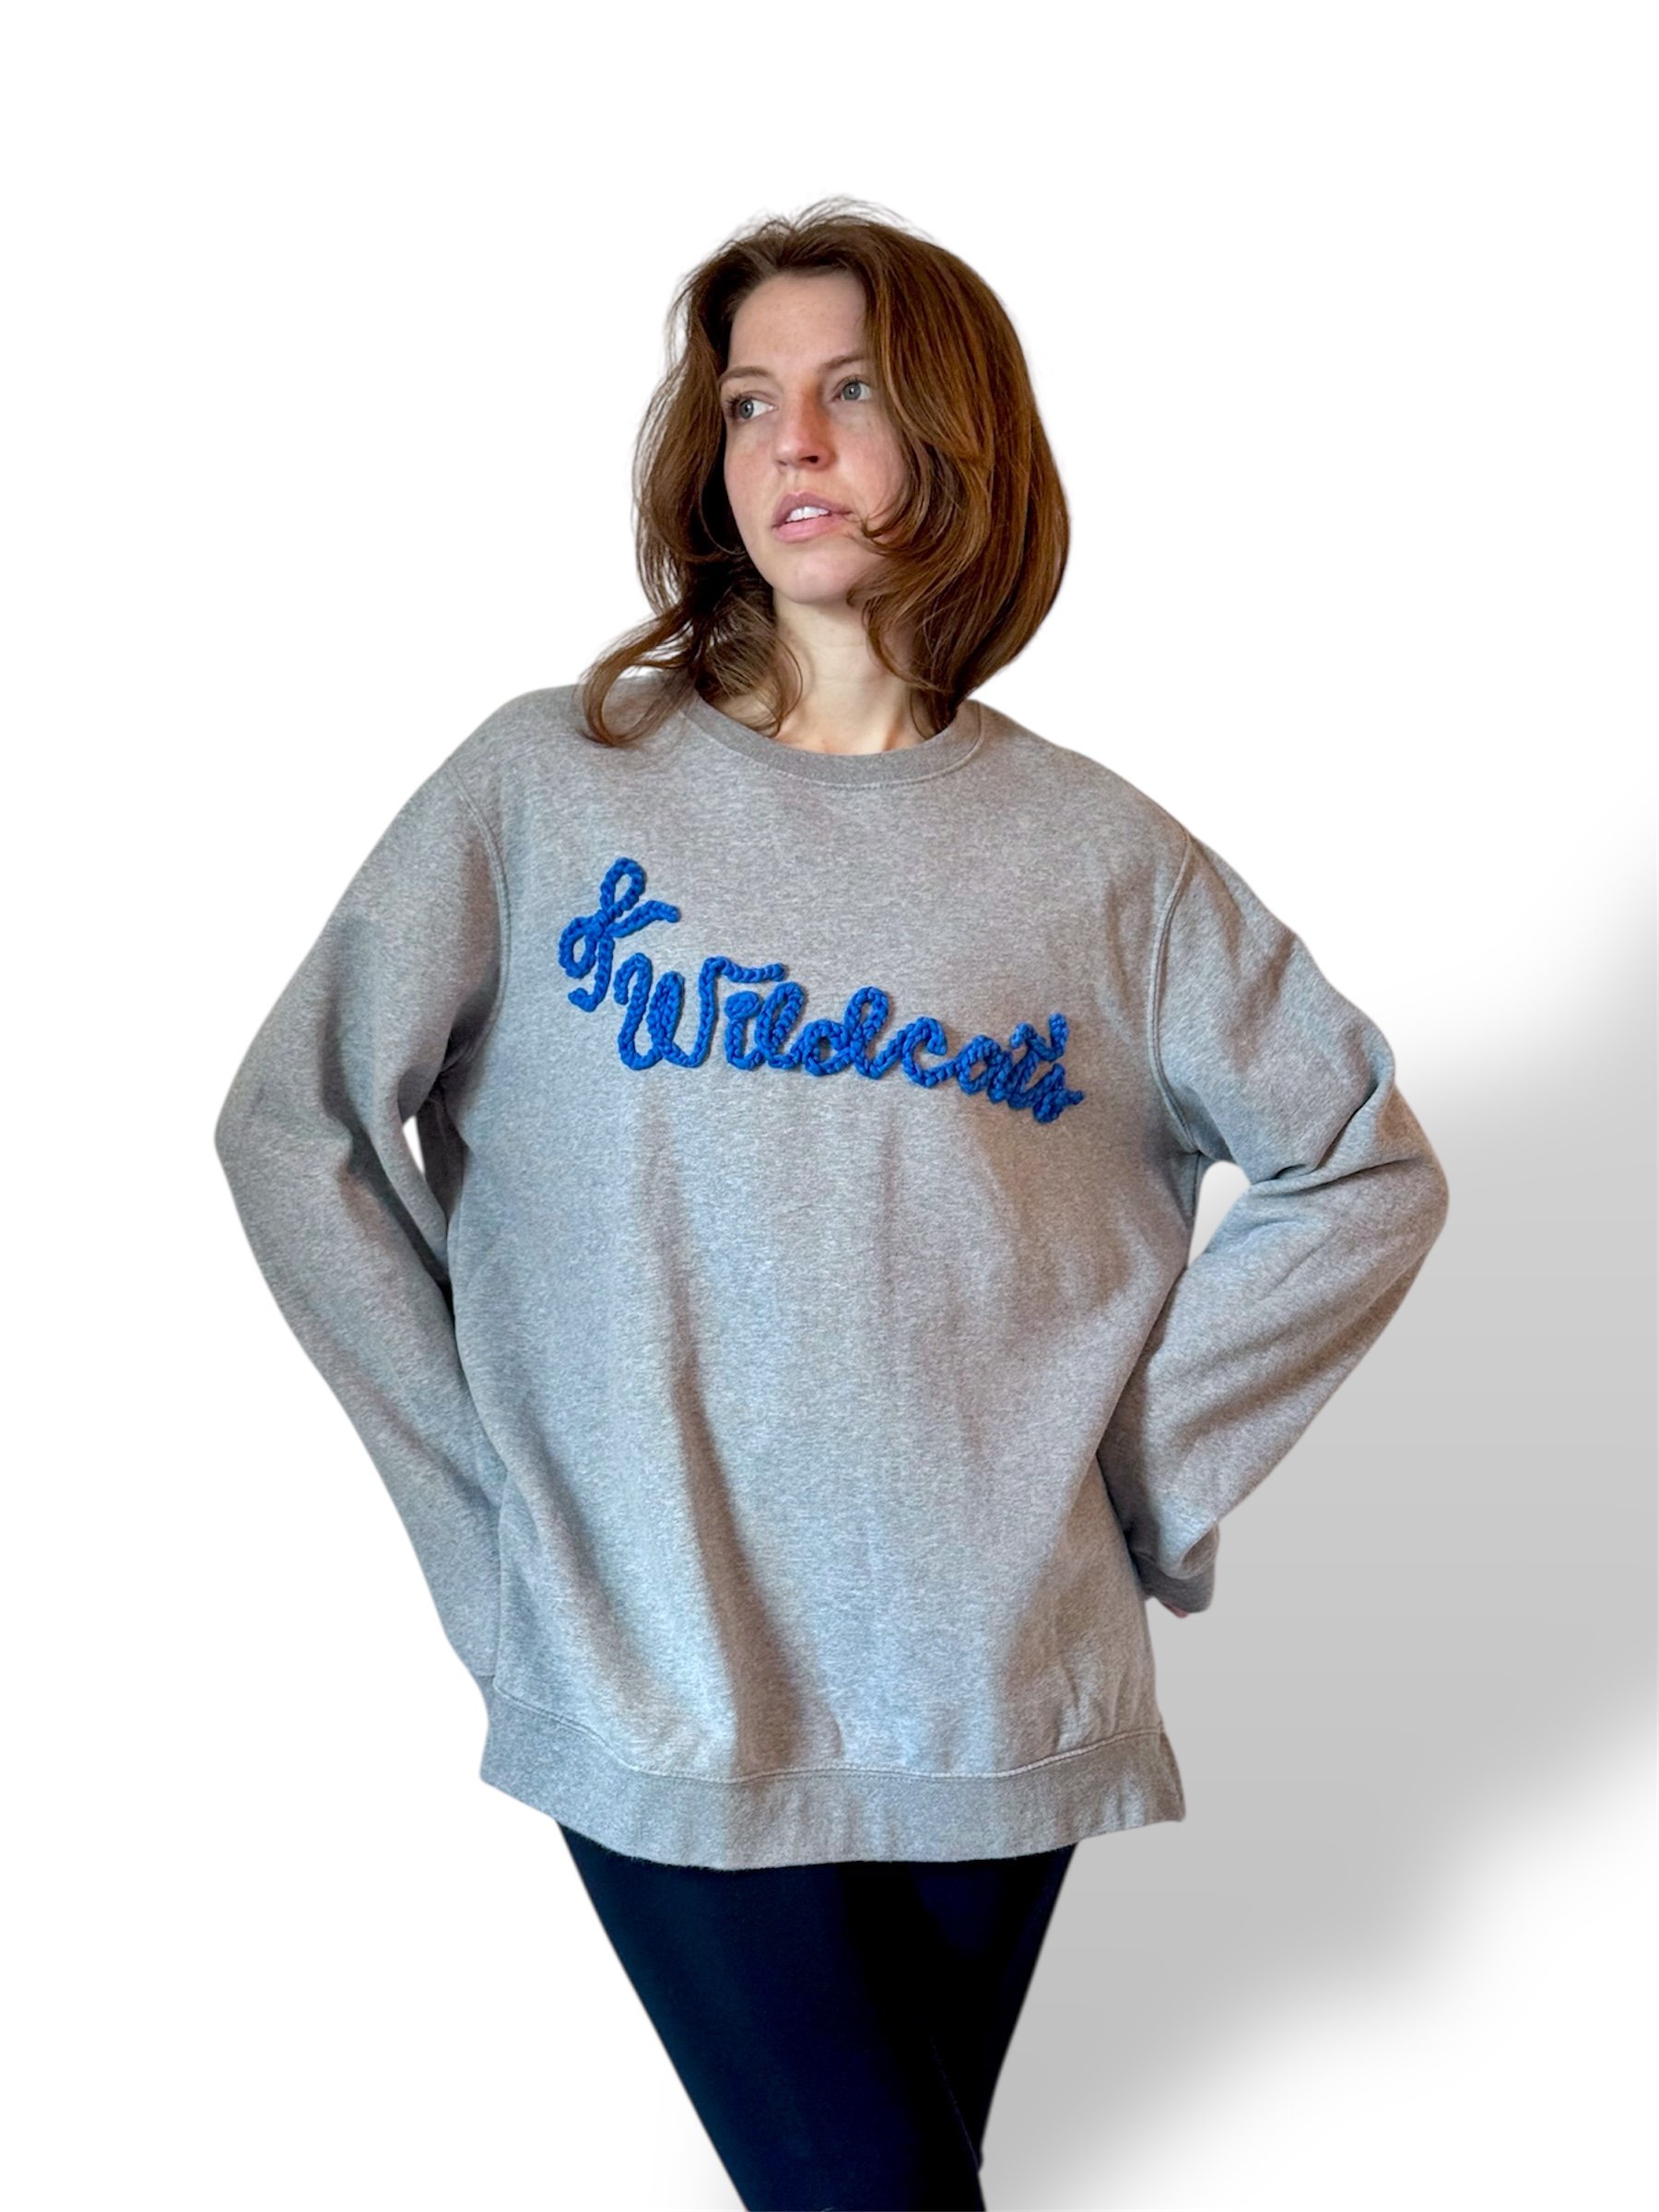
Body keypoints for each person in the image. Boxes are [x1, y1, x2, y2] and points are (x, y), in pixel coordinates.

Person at [214, 195, 1451, 2210]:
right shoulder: (547, 791)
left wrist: (1140, 1481)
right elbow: (297, 1131)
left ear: (957, 437)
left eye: (852, 391)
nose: (789, 440)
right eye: (747, 400)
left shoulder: (1103, 862)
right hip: (652, 1657)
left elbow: (1361, 1164)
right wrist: (485, 1517)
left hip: (996, 1678)